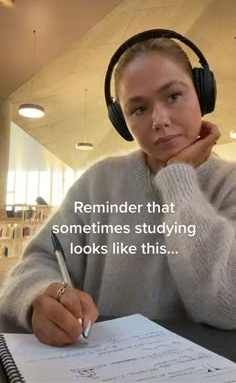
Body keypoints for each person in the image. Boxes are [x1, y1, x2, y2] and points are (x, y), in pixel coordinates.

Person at [0, 31, 235, 348]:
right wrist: (40, 297)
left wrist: (178, 178)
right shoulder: (99, 183)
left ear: (203, 94)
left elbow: (226, 305)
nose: (159, 120)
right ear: (122, 121)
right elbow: (33, 266)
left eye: (174, 96)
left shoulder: (230, 185)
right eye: (138, 109)